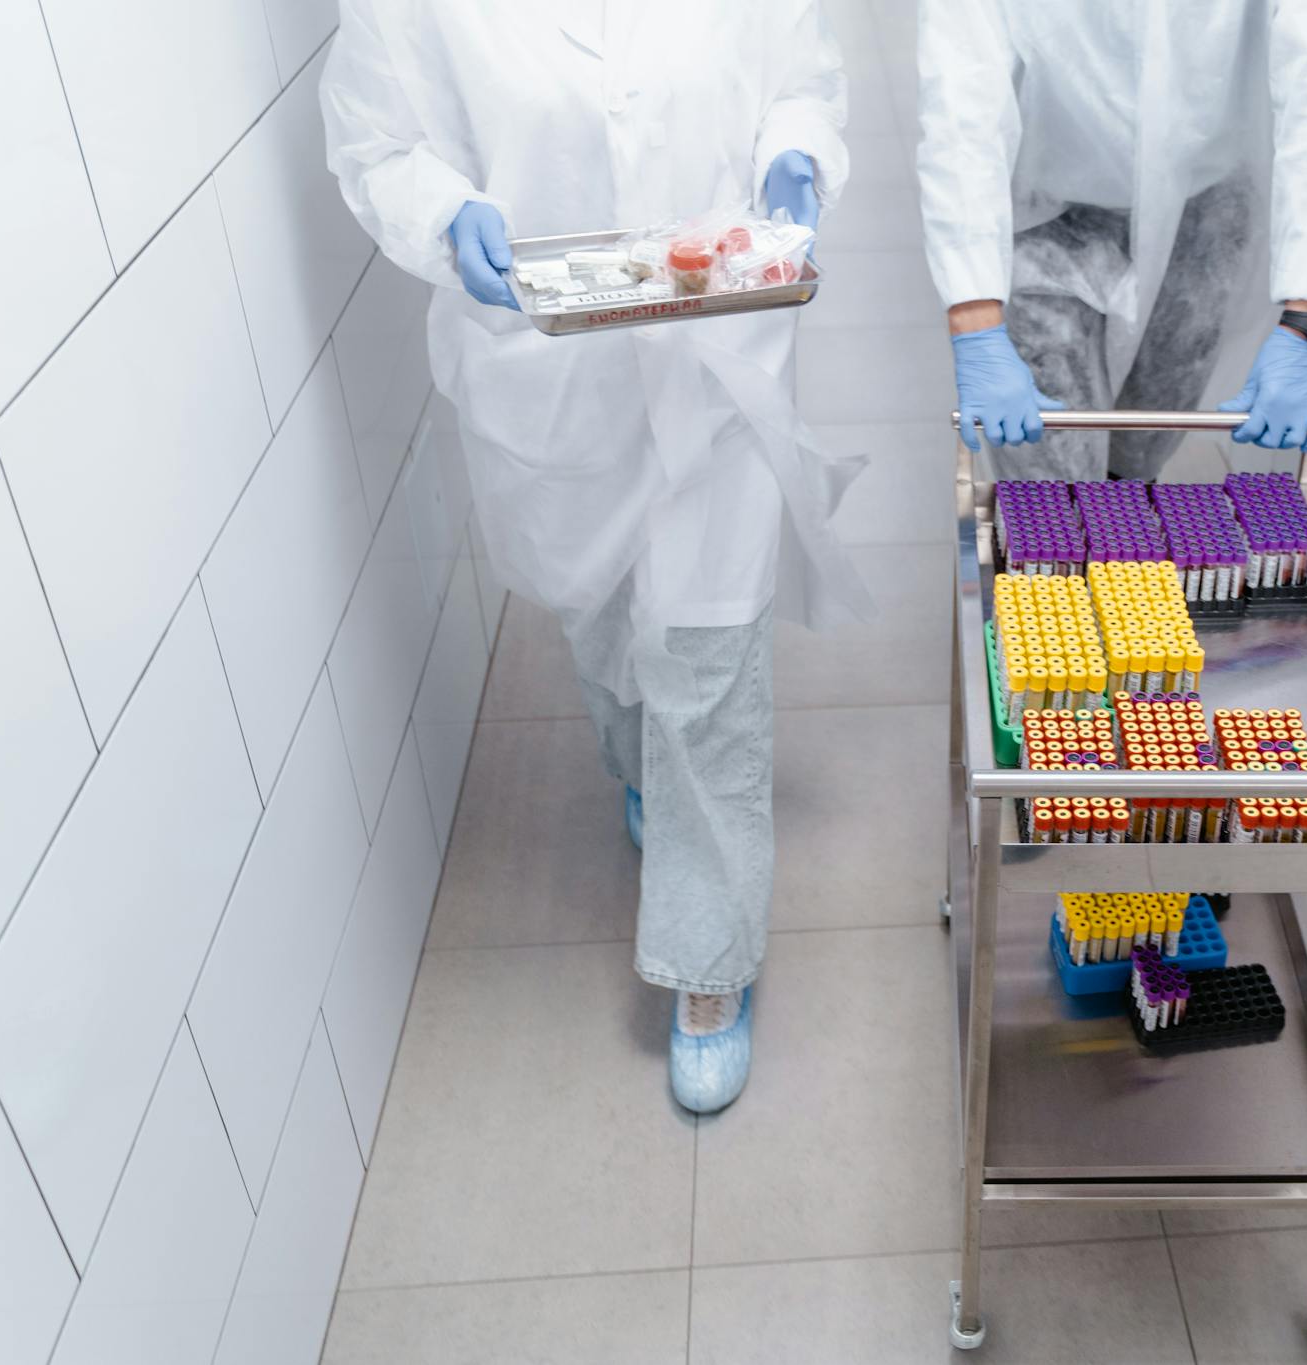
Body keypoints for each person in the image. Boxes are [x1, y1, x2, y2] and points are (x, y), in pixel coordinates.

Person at [322, 1, 868, 1113]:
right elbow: (378, 140)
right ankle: (634, 768)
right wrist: (446, 211)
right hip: (549, 366)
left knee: (709, 663)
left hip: (718, 343)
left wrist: (793, 158)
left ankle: (708, 969)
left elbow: (799, 76)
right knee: (607, 622)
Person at [917, 1, 1307, 477]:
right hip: (1041, 205)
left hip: (1202, 207)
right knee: (1050, 480)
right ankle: (1060, 546)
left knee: (1143, 445)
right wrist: (976, 325)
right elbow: (960, 103)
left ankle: (1122, 532)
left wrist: (1306, 323)